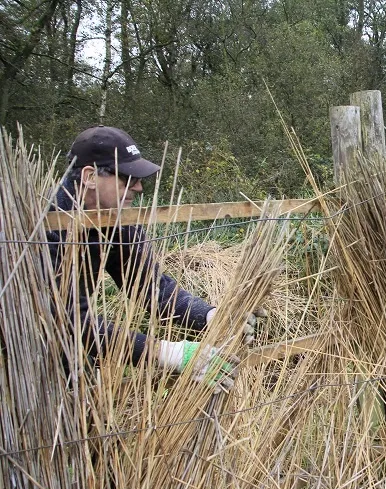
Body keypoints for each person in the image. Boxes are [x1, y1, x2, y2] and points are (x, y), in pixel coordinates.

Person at [48, 125, 255, 391]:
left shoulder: (114, 216)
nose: (139, 187)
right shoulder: (47, 229)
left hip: (70, 347)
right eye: (127, 177)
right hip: (29, 348)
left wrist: (210, 316)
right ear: (89, 177)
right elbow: (66, 320)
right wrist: (166, 353)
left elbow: (150, 286)